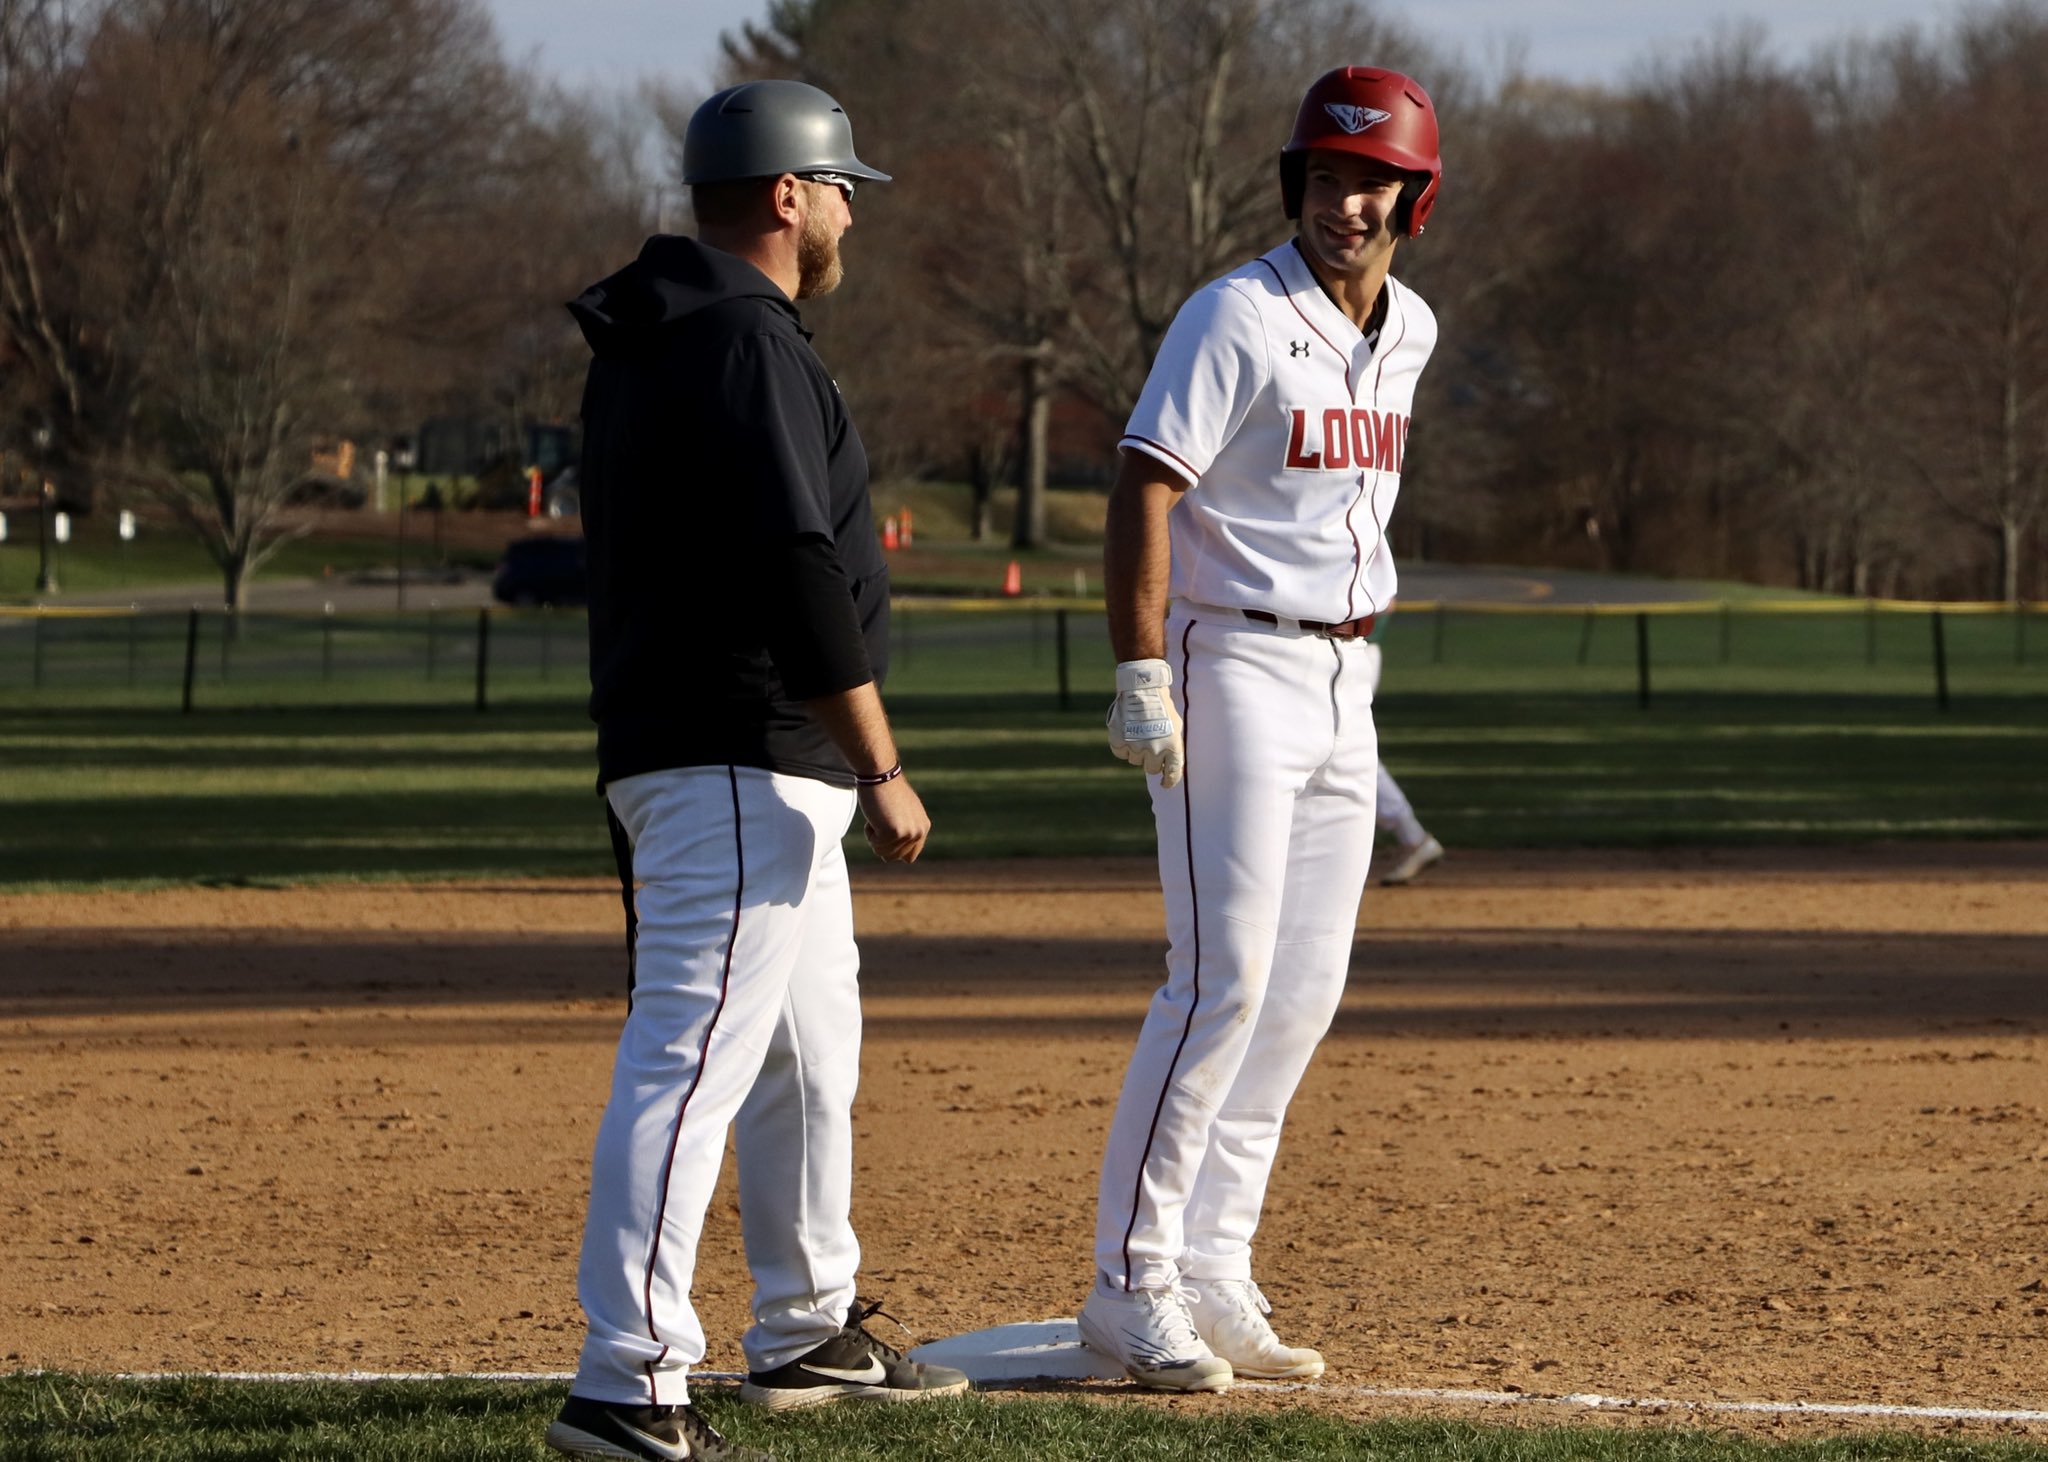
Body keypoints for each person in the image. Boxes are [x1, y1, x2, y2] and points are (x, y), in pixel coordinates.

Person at [546, 80, 969, 1462]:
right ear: (789, 196)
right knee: (690, 1061)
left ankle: (803, 1325)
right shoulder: (743, 341)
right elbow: (799, 567)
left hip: (722, 755)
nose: (852, 207)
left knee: (806, 1049)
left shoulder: (669, 339)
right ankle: (626, 1382)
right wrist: (883, 762)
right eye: (842, 183)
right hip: (735, 755)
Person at [1081, 66, 1443, 1392]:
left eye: (1372, 179)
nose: (1347, 202)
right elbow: (1144, 480)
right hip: (1228, 658)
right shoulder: (1232, 315)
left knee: (1301, 992)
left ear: (1415, 193)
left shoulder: (1413, 332)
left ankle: (1217, 1265)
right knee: (1218, 977)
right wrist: (1138, 666)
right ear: (1295, 182)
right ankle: (1130, 1281)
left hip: (1348, 679)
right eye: (1326, 176)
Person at [1363, 640, 1445, 885]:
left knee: (1345, 752)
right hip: (1337, 648)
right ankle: (1412, 836)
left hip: (1352, 647)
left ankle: (1412, 837)